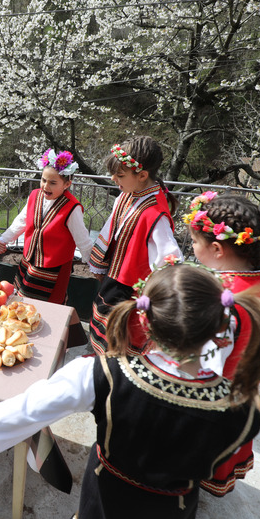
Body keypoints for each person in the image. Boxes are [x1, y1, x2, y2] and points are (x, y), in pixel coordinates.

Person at [0, 261, 260, 519]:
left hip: (109, 497)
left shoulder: (102, 375)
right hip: (173, 511)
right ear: (220, 326)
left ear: (146, 321)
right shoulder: (245, 408)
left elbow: (23, 412)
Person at [185, 191, 260, 496]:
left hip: (216, 391)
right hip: (244, 383)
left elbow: (205, 361)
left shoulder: (226, 296)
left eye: (194, 243)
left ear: (216, 248)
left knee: (198, 450)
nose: (191, 247)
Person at [87, 136, 181, 356]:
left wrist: (157, 298)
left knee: (119, 340)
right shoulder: (130, 194)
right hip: (115, 275)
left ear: (142, 175)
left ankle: (111, 375)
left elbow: (171, 258)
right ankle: (99, 366)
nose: (113, 179)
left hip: (130, 287)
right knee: (103, 329)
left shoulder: (155, 214)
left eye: (120, 175)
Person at [0, 149, 93, 304]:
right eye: (44, 180)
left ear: (67, 184)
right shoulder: (35, 195)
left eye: (53, 183)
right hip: (29, 259)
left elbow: (82, 239)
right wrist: (4, 239)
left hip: (55, 266)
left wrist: (93, 266)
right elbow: (22, 221)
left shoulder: (72, 208)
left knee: (49, 305)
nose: (46, 186)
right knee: (23, 299)